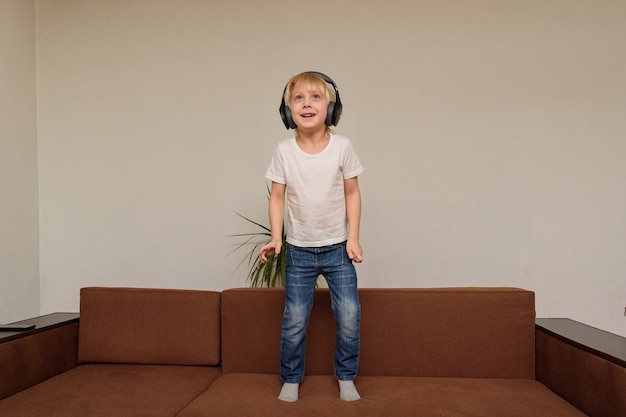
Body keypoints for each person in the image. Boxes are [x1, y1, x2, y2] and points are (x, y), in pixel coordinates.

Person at [259, 71, 364, 402]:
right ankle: (291, 378)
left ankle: (346, 376)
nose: (306, 104)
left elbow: (352, 193)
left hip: (337, 250)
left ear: (331, 109)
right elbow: (277, 197)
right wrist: (277, 237)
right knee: (294, 320)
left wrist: (354, 238)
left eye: (315, 97)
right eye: (298, 98)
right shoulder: (284, 151)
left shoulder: (343, 147)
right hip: (300, 252)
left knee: (349, 315)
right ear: (287, 110)